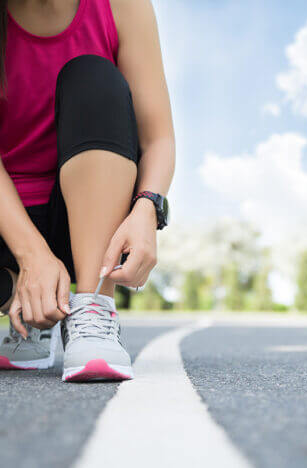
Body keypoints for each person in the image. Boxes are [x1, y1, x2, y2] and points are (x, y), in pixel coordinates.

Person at [0, 0, 175, 382]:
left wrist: (147, 208)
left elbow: (158, 139)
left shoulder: (122, 6)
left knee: (94, 77)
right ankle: (27, 305)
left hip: (89, 213)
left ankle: (94, 305)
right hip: (9, 224)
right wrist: (31, 255)